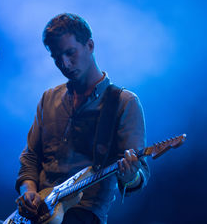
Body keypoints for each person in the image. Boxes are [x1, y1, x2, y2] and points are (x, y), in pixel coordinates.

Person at [15, 13, 149, 224]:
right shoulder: (48, 98)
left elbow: (138, 178)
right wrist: (28, 190)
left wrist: (129, 175)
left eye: (70, 53)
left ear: (90, 45)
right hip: (37, 214)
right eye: (57, 58)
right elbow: (30, 157)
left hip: (84, 215)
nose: (65, 64)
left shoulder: (124, 102)